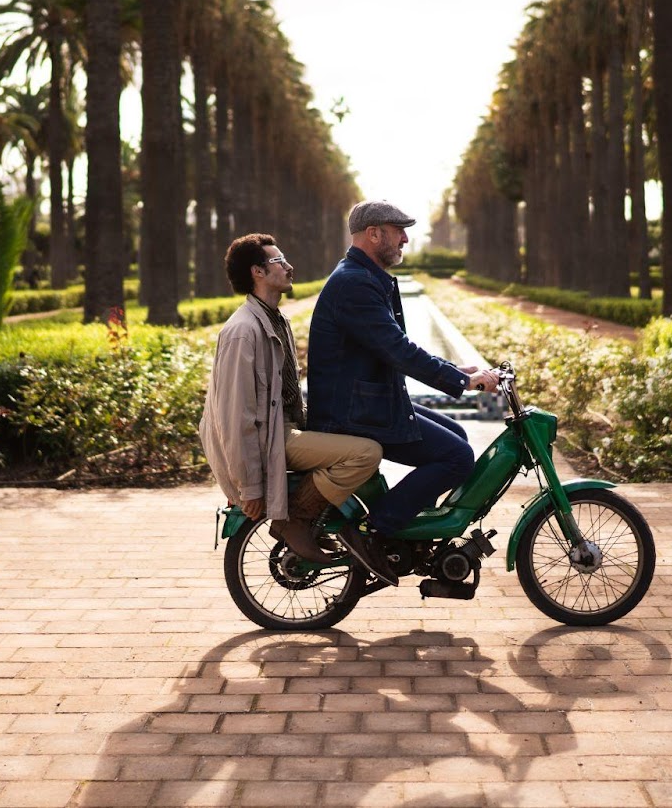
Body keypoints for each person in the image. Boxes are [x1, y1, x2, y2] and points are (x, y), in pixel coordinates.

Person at [306, 200, 500, 586]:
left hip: (366, 402)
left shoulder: (365, 277)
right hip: (351, 413)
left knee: (457, 438)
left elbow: (394, 346)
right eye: (398, 231)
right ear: (373, 234)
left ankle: (414, 531)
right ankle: (381, 532)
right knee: (458, 457)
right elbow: (399, 351)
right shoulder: (354, 284)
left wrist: (458, 370)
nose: (406, 239)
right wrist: (461, 382)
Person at [199, 233, 383, 563]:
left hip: (282, 427)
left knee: (364, 428)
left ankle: (339, 523)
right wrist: (250, 486)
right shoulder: (242, 331)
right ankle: (296, 518)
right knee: (366, 453)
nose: (289, 266)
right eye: (278, 261)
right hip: (273, 438)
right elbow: (233, 418)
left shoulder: (272, 318)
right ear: (258, 272)